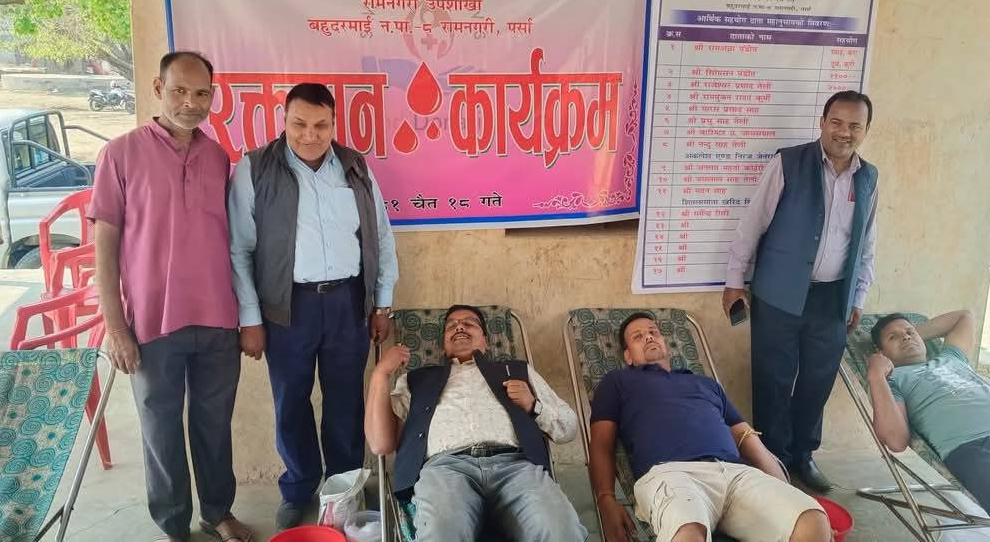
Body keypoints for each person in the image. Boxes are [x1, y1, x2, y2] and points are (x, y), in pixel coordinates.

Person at [90, 51, 251, 542]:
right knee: (160, 429)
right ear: (159, 89)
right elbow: (105, 248)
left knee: (214, 424)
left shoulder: (218, 158)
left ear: (212, 97)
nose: (190, 103)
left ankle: (218, 512)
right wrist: (115, 327)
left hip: (218, 318)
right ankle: (173, 525)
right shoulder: (120, 154)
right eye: (180, 90)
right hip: (151, 323)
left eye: (201, 93)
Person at [228, 82, 399, 530]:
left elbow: (380, 236)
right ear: (284, 121)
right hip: (287, 308)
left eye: (321, 125)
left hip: (347, 302)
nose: (310, 135)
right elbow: (239, 249)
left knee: (346, 401)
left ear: (334, 123)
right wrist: (250, 318)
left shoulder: (355, 166)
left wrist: (382, 304)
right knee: (291, 402)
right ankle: (299, 487)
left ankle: (344, 488)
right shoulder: (254, 169)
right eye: (299, 124)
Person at [723, 90, 879, 492]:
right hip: (778, 293)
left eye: (855, 125)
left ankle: (803, 456)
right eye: (836, 122)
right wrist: (734, 281)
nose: (844, 132)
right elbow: (752, 224)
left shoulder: (868, 178)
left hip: (832, 298)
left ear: (865, 130)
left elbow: (866, 244)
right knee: (772, 379)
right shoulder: (788, 163)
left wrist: (858, 297)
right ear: (822, 123)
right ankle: (772, 459)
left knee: (817, 381)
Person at [589, 312, 832, 542]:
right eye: (638, 336)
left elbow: (746, 436)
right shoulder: (617, 382)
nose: (649, 337)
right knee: (688, 533)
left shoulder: (706, 384)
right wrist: (606, 500)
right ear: (628, 356)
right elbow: (601, 444)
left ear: (665, 343)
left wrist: (785, 491)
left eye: (653, 331)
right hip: (671, 474)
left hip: (735, 473)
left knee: (813, 521)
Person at [365, 305, 587, 542]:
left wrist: (533, 405)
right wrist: (380, 374)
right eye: (451, 325)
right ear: (443, 344)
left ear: (486, 341)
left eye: (469, 323)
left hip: (517, 467)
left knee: (560, 529)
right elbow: (380, 444)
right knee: (442, 533)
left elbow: (568, 428)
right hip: (445, 471)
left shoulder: (517, 371)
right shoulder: (416, 380)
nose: (459, 326)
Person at [868, 310, 990, 542]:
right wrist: (876, 375)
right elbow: (895, 440)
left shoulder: (952, 358)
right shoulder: (894, 380)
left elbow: (964, 317)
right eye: (893, 337)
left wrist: (909, 336)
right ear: (881, 353)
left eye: (909, 332)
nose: (906, 336)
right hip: (982, 451)